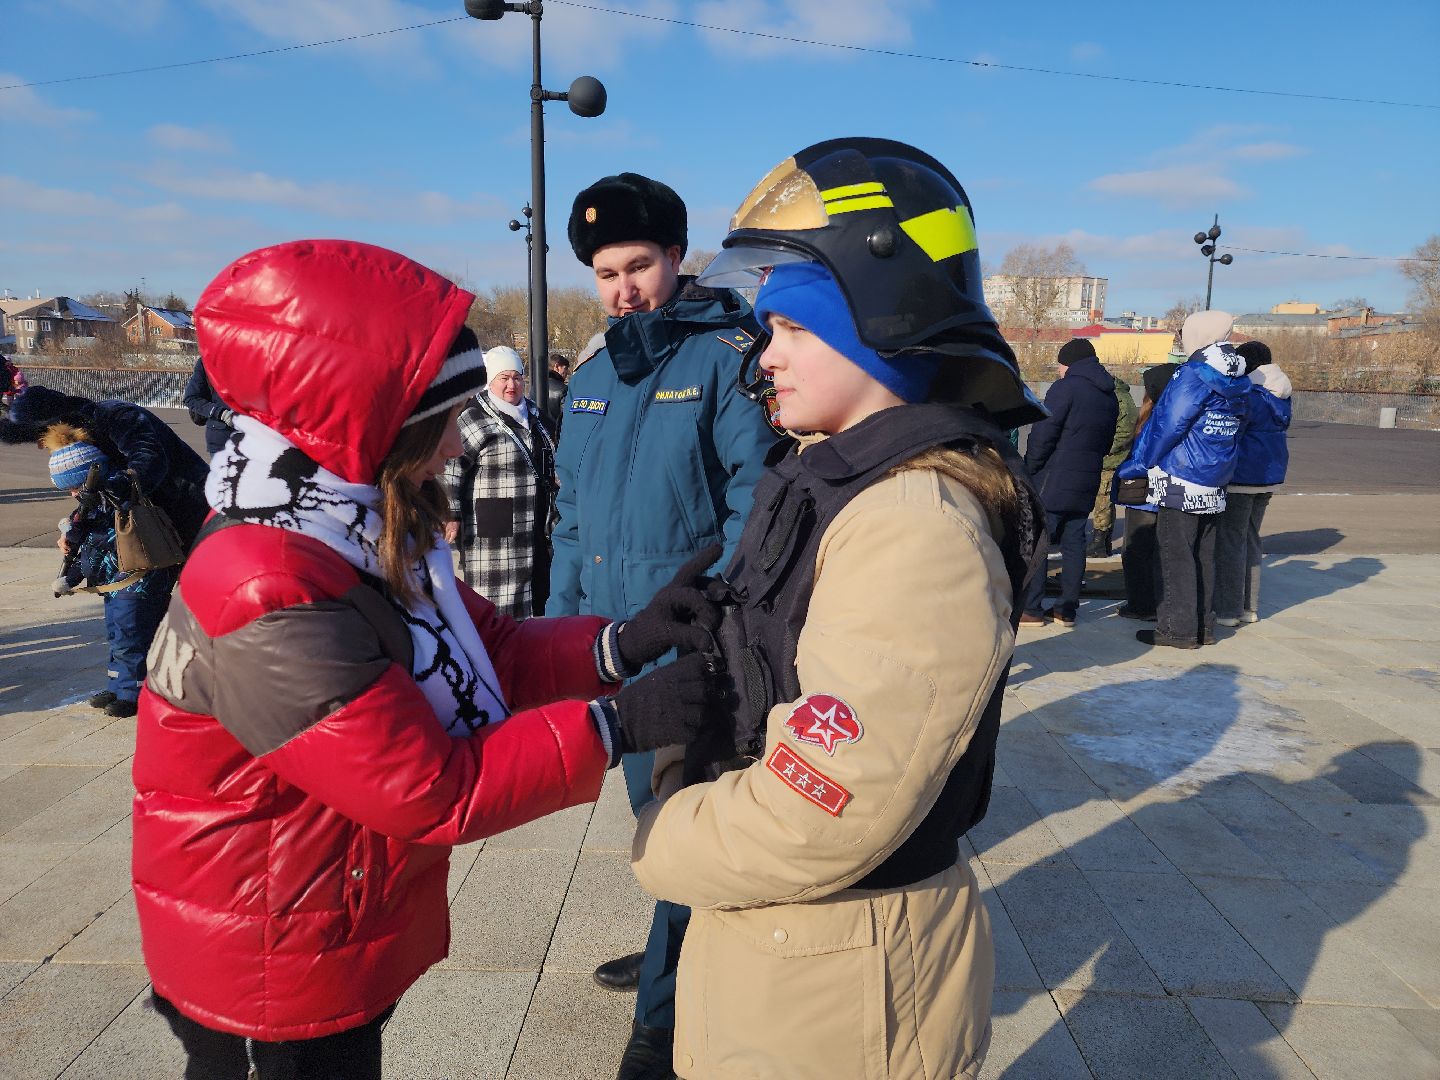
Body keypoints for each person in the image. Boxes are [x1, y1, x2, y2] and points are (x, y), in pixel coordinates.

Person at [130, 238, 728, 1079]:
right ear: (372, 425)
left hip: (319, 900)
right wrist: (616, 723)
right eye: (445, 423)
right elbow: (427, 788)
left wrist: (620, 643)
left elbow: (495, 647)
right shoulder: (266, 579)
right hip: (268, 944)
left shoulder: (344, 521)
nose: (457, 446)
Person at [629, 137, 1045, 1080]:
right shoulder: (844, 481)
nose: (765, 354)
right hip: (798, 955)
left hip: (840, 979)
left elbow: (824, 812)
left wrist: (666, 836)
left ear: (877, 322)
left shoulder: (912, 522)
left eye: (796, 329)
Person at [550, 171, 782, 1079]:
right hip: (613, 646)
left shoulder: (729, 355)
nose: (623, 289)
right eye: (606, 273)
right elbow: (570, 520)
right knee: (655, 824)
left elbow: (753, 510)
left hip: (689, 643)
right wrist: (567, 646)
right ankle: (667, 951)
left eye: (638, 265)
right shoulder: (600, 372)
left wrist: (711, 620)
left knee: (687, 826)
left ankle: (662, 1019)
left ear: (678, 257)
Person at [1120, 310, 1249, 649]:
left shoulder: (1192, 374)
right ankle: (1203, 627)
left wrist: (1138, 463)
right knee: (1203, 554)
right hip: (1215, 479)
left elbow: (1167, 425)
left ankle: (1177, 629)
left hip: (1182, 477)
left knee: (1174, 554)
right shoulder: (1237, 376)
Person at [45, 431, 175, 718]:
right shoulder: (93, 506)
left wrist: (79, 521)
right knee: (118, 636)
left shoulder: (119, 499)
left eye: (75, 487)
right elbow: (92, 551)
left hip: (136, 583)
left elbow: (108, 529)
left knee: (133, 638)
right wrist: (72, 575)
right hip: (111, 585)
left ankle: (136, 692)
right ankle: (118, 685)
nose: (73, 495)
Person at [3, 383, 210, 552]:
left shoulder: (115, 415)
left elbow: (149, 462)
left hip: (189, 506)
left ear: (56, 423)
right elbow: (100, 491)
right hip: (154, 522)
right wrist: (78, 524)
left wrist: (107, 492)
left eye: (40, 438)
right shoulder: (83, 439)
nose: (41, 447)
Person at [442, 346, 557, 619]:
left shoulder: (537, 416)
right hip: (493, 534)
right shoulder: (473, 418)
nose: (511, 385)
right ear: (490, 380)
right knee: (497, 611)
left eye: (517, 377)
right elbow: (450, 467)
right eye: (503, 378)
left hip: (537, 527)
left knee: (537, 607)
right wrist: (451, 513)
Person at [1018, 337, 1118, 627]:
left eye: (1061, 365)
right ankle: (1067, 609)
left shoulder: (1066, 388)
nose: (1059, 371)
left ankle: (1033, 609)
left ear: (1068, 363)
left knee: (1039, 541)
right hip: (1087, 477)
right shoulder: (1108, 394)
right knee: (1075, 541)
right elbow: (1107, 441)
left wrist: (1030, 467)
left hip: (1053, 478)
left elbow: (1043, 434)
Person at [1214, 339, 1291, 626]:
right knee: (1250, 539)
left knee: (1231, 541)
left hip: (1241, 475)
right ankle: (1249, 606)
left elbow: (1232, 430)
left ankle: (1227, 609)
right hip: (1268, 475)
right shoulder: (1281, 393)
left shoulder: (1250, 394)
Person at [1115, 357, 1180, 621]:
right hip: (1164, 493)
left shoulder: (1154, 419)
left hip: (1144, 495)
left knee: (1136, 551)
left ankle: (1141, 605)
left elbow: (1143, 458)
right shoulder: (1177, 413)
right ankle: (1153, 602)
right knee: (1157, 551)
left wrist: (1122, 472)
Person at [1089, 364, 1138, 557]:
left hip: (1111, 460)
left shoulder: (1121, 400)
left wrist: (1104, 448)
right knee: (1102, 502)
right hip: (1107, 458)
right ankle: (1101, 541)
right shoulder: (1114, 396)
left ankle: (1100, 543)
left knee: (1103, 502)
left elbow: (1124, 433)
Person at [183, 355, 237, 455]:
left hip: (254, 439)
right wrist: (221, 413)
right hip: (222, 440)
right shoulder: (207, 362)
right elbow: (191, 398)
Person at [546, 351, 571, 437]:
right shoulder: (563, 389)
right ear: (556, 366)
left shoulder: (535, 387)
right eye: (565, 368)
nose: (567, 372)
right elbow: (567, 419)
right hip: (556, 437)